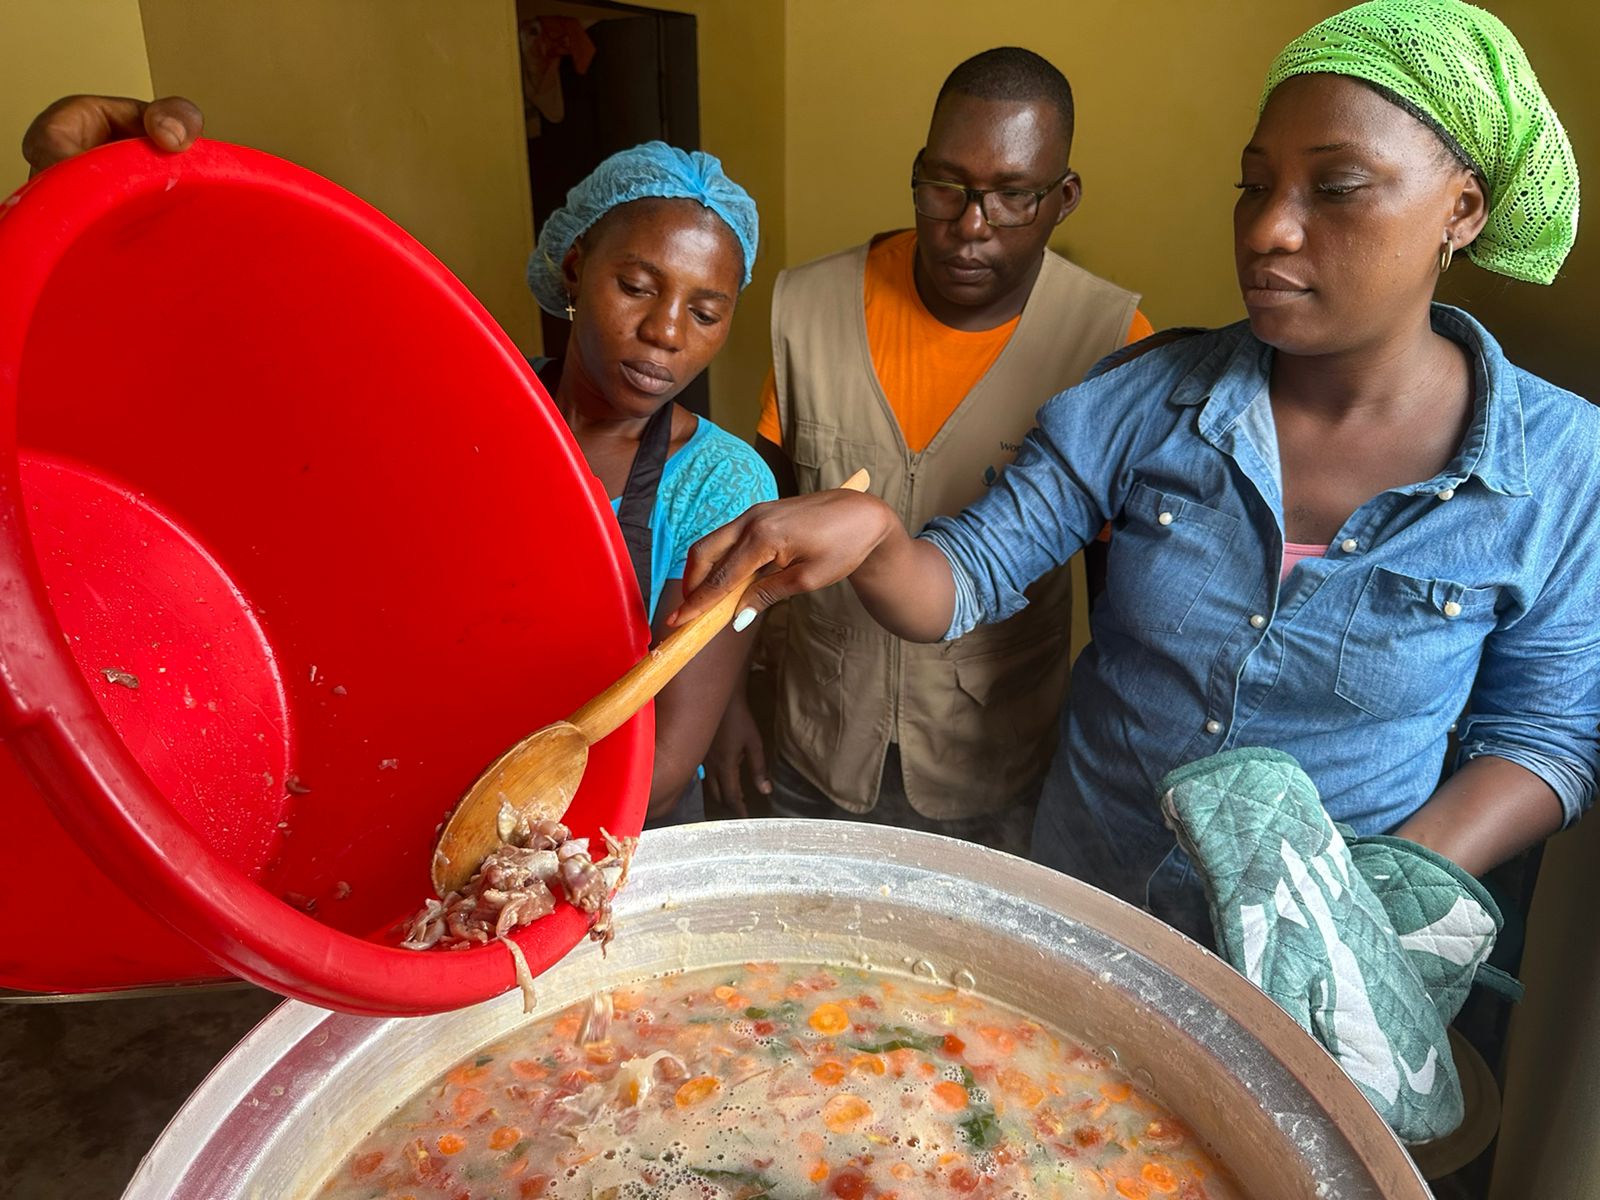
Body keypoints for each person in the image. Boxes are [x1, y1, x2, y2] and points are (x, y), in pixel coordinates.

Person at [676, 0, 1596, 944]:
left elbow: (1546, 736)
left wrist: (1371, 902)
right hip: (1090, 907)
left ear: (1464, 209)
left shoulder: (1562, 468)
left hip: (1328, 971)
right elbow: (961, 580)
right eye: (1252, 185)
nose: (1269, 230)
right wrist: (875, 538)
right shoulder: (1144, 399)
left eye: (1335, 188)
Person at [23, 98, 777, 827]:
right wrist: (109, 216)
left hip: (613, 834)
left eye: (706, 313)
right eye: (637, 287)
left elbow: (667, 765)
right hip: (419, 792)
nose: (665, 332)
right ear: (576, 266)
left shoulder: (723, 485)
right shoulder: (460, 407)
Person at [705, 48, 1153, 852]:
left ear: (1064, 198)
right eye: (945, 187)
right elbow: (755, 533)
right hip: (815, 741)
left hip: (995, 764)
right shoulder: (807, 309)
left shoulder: (1112, 343)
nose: (970, 225)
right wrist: (728, 703)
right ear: (917, 172)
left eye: (1013, 196)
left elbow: (1120, 599)